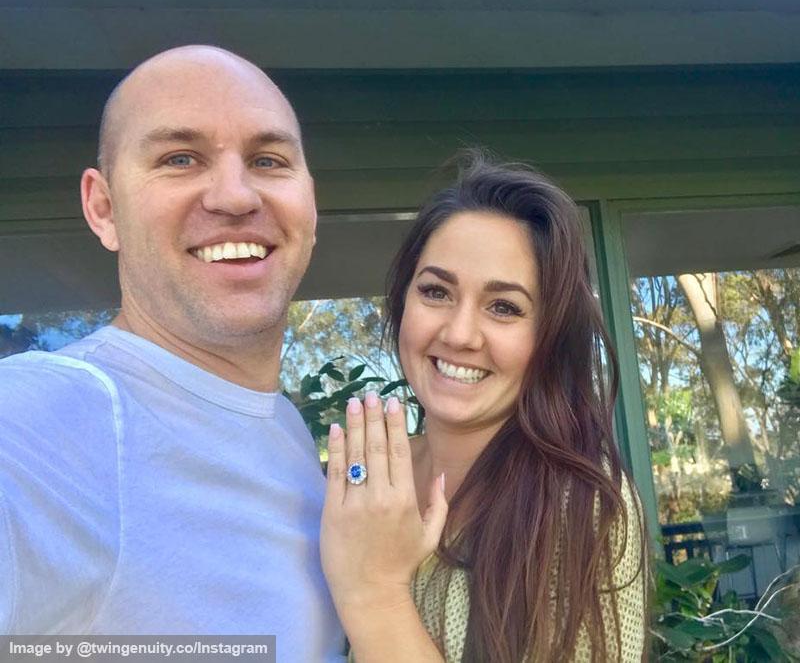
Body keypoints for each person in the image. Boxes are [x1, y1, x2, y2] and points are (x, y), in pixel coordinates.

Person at [0, 45, 345, 659]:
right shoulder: (44, 423)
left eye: (267, 160)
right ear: (104, 208)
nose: (235, 196)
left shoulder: (285, 428)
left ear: (311, 205)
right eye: (179, 159)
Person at [321, 152, 648, 662]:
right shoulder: (363, 483)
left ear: (550, 337)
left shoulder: (584, 505)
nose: (459, 334)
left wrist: (375, 593)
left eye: (504, 307)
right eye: (436, 292)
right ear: (402, 302)